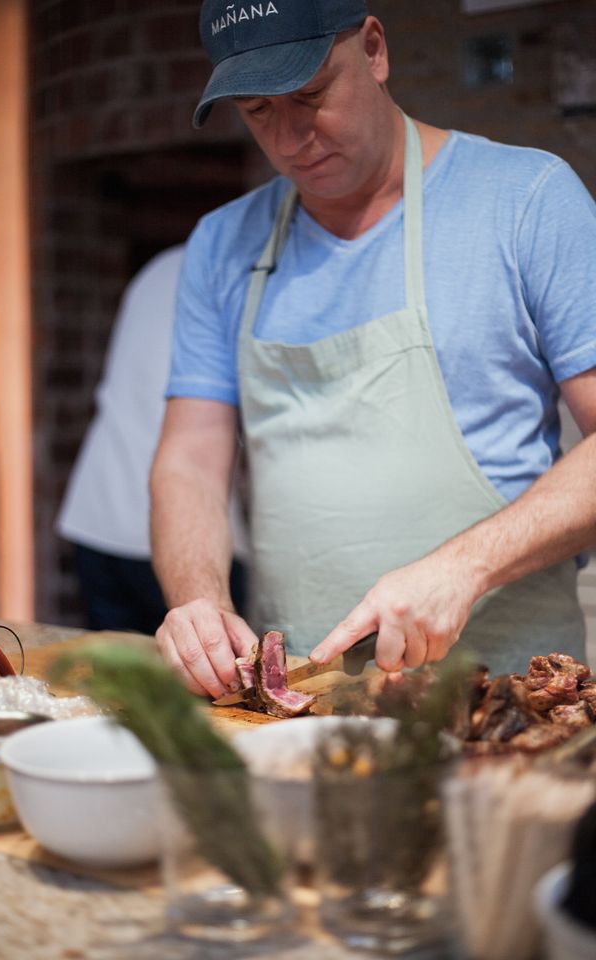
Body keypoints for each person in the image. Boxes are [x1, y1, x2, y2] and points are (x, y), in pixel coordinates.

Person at [150, 0, 596, 698]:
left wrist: (464, 567)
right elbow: (189, 460)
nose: (292, 137)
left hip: (506, 697)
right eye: (258, 110)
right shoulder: (222, 243)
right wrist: (198, 600)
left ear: (375, 50)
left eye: (310, 94)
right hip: (304, 698)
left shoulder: (528, 200)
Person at [56, 245, 249, 634]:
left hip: (99, 510)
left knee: (115, 665)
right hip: (184, 532)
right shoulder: (238, 273)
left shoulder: (156, 269)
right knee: (207, 657)